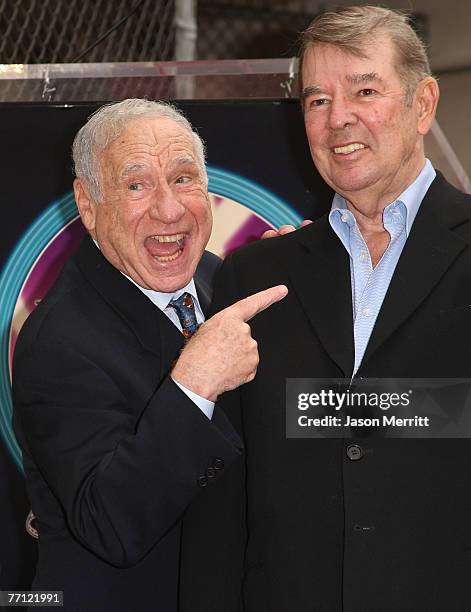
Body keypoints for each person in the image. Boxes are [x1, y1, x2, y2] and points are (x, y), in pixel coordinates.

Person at [184, 6, 471, 612]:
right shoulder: (257, 274)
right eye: (316, 100)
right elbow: (230, 482)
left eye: (364, 90)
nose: (338, 117)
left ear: (423, 104)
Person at [11, 98, 287, 612]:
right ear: (88, 206)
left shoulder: (218, 279)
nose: (169, 209)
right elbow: (110, 523)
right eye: (137, 185)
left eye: (184, 179)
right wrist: (194, 385)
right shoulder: (57, 340)